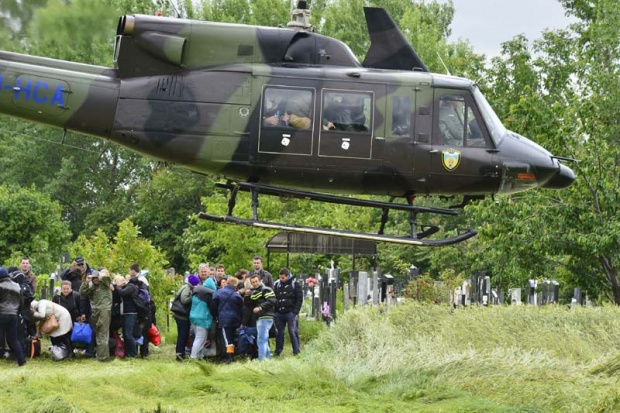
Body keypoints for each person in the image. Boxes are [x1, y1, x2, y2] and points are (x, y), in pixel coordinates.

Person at [79, 269, 112, 362]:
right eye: (94, 278)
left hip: (104, 310)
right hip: (95, 311)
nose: (95, 279)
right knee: (98, 333)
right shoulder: (93, 287)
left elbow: (106, 278)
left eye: (96, 278)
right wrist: (86, 281)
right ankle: (101, 354)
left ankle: (103, 357)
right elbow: (82, 292)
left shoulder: (105, 284)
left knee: (103, 334)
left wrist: (98, 274)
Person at [273, 268, 303, 357]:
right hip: (279, 313)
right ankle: (278, 350)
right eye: (280, 277)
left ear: (287, 276)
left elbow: (299, 299)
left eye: (283, 278)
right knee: (279, 332)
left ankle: (296, 351)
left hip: (290, 313)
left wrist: (295, 311)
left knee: (293, 331)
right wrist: (275, 311)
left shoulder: (295, 285)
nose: (281, 279)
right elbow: (274, 298)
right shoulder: (277, 285)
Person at [213, 277, 243, 363]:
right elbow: (241, 308)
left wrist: (216, 314)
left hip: (224, 319)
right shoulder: (237, 295)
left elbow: (213, 305)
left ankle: (229, 357)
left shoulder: (218, 292)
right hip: (235, 320)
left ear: (227, 283)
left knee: (227, 339)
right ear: (236, 285)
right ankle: (232, 355)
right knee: (232, 338)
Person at [247, 274, 276, 361]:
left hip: (265, 316)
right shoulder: (255, 292)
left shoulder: (266, 289)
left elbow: (272, 300)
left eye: (256, 281)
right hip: (261, 317)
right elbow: (249, 304)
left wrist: (260, 307)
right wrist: (247, 296)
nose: (255, 283)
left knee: (261, 340)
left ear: (260, 280)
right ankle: (267, 358)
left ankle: (261, 360)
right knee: (264, 339)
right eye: (253, 282)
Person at [0, 267, 26, 366]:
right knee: (13, 339)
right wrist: (16, 312)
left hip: (2, 313)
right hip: (13, 315)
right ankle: (21, 360)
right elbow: (21, 303)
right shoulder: (17, 286)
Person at [172, 275, 200, 361]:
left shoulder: (186, 287)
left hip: (181, 315)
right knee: (182, 335)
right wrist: (193, 296)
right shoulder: (187, 288)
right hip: (182, 315)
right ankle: (180, 354)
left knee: (183, 334)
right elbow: (184, 300)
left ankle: (181, 353)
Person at [189, 277, 217, 359]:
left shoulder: (196, 291)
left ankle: (200, 356)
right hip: (202, 319)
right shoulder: (209, 294)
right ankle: (193, 357)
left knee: (199, 338)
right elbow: (212, 308)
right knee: (200, 339)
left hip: (193, 317)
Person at [114, 275, 139, 358]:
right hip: (123, 313)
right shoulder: (121, 288)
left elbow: (123, 293)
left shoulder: (130, 286)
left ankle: (134, 353)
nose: (116, 283)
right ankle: (128, 353)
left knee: (128, 334)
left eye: (116, 281)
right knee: (125, 334)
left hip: (130, 313)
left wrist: (117, 287)